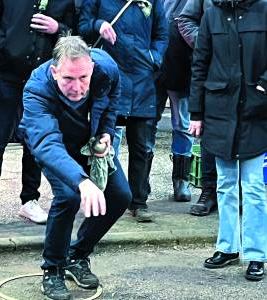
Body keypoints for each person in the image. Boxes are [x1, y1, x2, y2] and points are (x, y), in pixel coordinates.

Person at [19, 35, 132, 300]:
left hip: (89, 142)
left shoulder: (107, 69)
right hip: (55, 147)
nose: (78, 87)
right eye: (69, 79)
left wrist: (105, 131)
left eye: (83, 78)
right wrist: (82, 182)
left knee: (120, 196)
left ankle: (77, 255)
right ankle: (53, 269)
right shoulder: (36, 89)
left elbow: (112, 100)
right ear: (54, 71)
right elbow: (46, 142)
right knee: (68, 197)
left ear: (91, 68)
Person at [0, 0, 76, 226]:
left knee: (35, 139)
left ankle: (29, 200)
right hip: (7, 74)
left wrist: (57, 29)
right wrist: (2, 43)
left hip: (42, 78)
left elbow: (75, 30)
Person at [188, 0, 267, 281]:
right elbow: (199, 63)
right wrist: (196, 113)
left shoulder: (264, 9)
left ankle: (257, 254)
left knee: (255, 187)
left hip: (256, 111)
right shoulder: (212, 15)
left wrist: (263, 86)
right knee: (225, 184)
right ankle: (228, 248)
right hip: (219, 111)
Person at [79, 0, 167, 222]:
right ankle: (105, 197)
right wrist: (98, 24)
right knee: (101, 143)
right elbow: (82, 26)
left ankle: (139, 201)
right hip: (110, 77)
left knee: (142, 146)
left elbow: (162, 35)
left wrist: (153, 58)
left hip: (142, 78)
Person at [177, 0, 218, 216]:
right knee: (209, 133)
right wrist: (207, 42)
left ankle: (241, 192)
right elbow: (185, 19)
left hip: (248, 68)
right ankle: (209, 191)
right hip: (212, 69)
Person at [153, 0, 194, 203]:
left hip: (182, 63)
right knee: (147, 122)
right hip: (153, 64)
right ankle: (141, 183)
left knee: (183, 124)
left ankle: (181, 180)